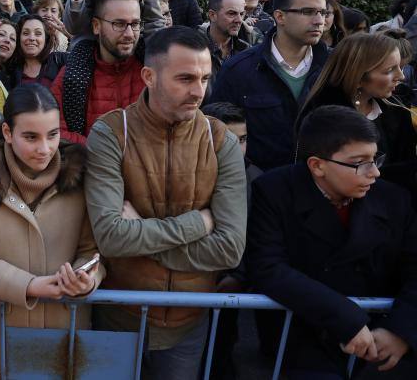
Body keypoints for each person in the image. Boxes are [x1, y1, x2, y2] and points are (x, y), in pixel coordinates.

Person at [85, 26, 246, 380]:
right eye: (185, 78)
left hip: (189, 322)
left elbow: (230, 250)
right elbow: (111, 237)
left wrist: (139, 236)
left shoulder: (220, 140)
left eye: (204, 78)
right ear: (149, 76)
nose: (198, 91)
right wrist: (198, 224)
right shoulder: (111, 133)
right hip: (118, 316)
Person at [248, 105, 417, 378]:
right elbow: (267, 267)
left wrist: (401, 330)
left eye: (375, 159)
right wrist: (347, 319)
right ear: (317, 166)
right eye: (360, 162)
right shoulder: (274, 191)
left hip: (383, 345)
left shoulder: (394, 198)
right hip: (305, 340)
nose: (374, 172)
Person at [0, 84, 105, 377]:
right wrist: (29, 286)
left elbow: (92, 250)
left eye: (53, 135)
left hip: (64, 339)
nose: (45, 148)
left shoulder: (80, 179)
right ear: (7, 133)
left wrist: (87, 278)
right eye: (31, 137)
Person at [210, 0, 332, 171]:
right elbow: (218, 137)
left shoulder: (334, 67)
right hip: (260, 190)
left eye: (323, 12)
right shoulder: (240, 70)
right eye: (308, 12)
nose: (319, 21)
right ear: (280, 16)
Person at [297, 33, 416, 193]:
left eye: (400, 68)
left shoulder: (396, 110)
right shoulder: (322, 117)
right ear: (358, 77)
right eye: (389, 70)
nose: (401, 76)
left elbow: (406, 165)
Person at [51, 0, 145, 143]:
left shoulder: (152, 69)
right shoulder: (73, 74)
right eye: (119, 24)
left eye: (135, 24)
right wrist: (99, 153)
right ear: (96, 26)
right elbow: (54, 130)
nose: (129, 34)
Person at [201, 0, 251, 88]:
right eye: (232, 14)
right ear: (212, 15)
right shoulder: (195, 50)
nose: (239, 20)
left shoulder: (246, 51)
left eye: (241, 14)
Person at [8, 14, 66, 89]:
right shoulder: (11, 69)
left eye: (38, 33)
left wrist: (73, 37)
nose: (32, 38)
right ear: (18, 37)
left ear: (46, 39)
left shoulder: (59, 60)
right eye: (26, 33)